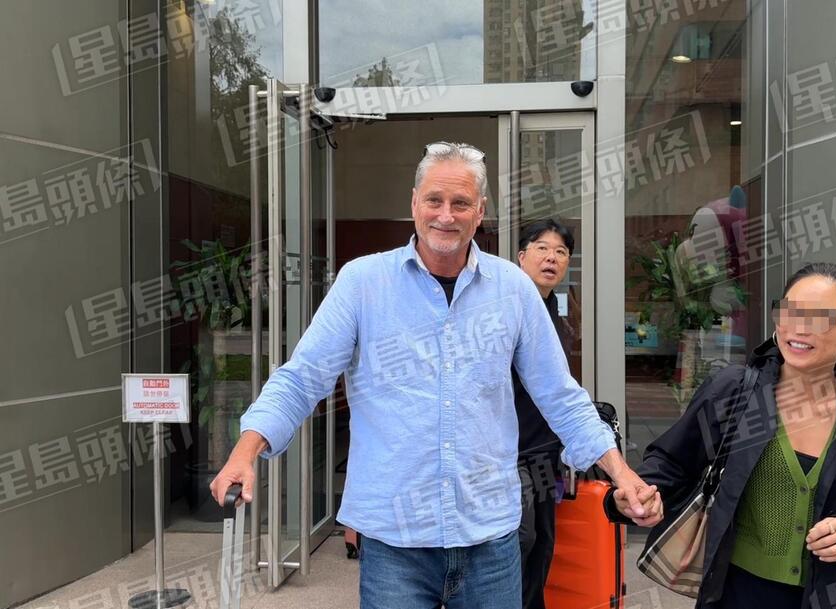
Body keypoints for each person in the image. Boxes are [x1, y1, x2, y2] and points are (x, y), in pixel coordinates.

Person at [209, 142, 662, 609]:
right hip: (394, 545)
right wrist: (247, 449)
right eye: (434, 200)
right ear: (414, 204)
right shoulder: (363, 282)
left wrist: (621, 474)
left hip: (489, 539)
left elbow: (561, 397)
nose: (446, 215)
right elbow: (303, 378)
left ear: (480, 211)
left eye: (461, 203)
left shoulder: (513, 290)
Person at [605, 262, 836, 609]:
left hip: (827, 595)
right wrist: (637, 495)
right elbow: (671, 463)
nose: (798, 329)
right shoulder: (733, 391)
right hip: (735, 591)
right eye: (789, 312)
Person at [513, 218, 576, 609]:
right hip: (509, 453)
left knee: (542, 545)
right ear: (522, 257)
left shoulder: (559, 319)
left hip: (544, 453)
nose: (551, 257)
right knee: (520, 540)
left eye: (561, 252)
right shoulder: (504, 311)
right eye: (542, 248)